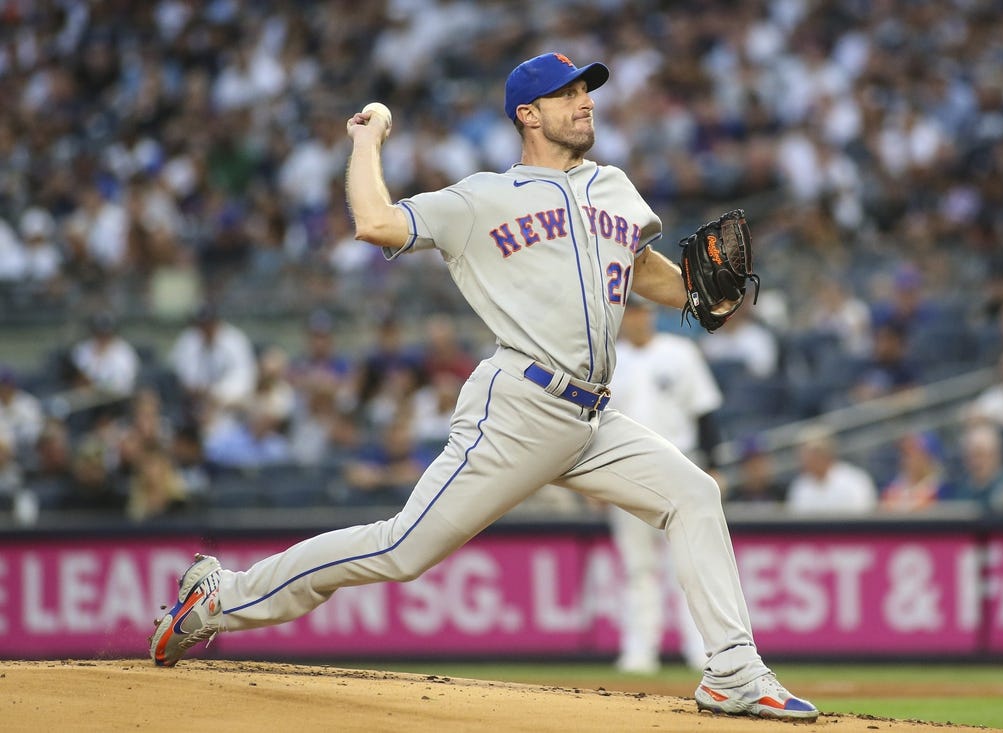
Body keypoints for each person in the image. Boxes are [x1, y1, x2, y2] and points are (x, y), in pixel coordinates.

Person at [149, 52, 818, 721]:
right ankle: (220, 596)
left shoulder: (615, 189)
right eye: (567, 94)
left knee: (693, 494)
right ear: (528, 113)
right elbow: (375, 222)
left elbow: (647, 274)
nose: (585, 102)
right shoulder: (481, 200)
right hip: (519, 404)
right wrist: (365, 140)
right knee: (399, 548)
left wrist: (710, 297)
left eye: (587, 90)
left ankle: (733, 671)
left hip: (592, 415)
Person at [604, 297, 721, 675]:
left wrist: (713, 464)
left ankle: (702, 651)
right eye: (631, 313)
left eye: (643, 311)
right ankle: (640, 652)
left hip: (680, 464)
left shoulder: (680, 353)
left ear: (651, 315)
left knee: (689, 564)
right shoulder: (608, 361)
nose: (638, 318)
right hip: (624, 472)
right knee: (638, 567)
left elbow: (705, 412)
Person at [786, 425, 877, 515]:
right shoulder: (799, 485)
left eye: (808, 454)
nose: (803, 460)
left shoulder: (854, 480)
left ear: (824, 453)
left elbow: (864, 520)